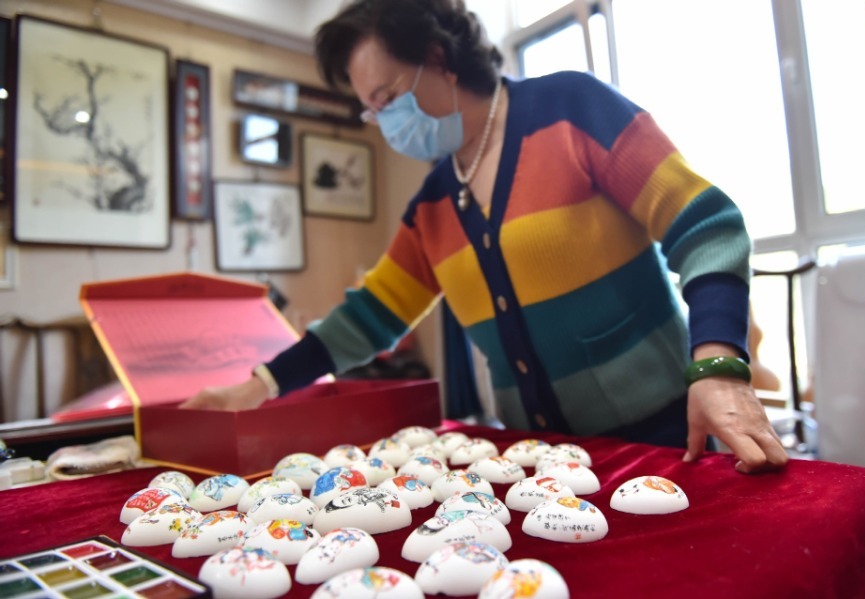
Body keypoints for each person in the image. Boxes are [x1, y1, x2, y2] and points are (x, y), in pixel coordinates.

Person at [182, 0, 788, 474]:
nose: (385, 121)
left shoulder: (571, 109)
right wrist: (259, 385)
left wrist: (718, 366)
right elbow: (367, 316)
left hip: (661, 442)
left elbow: (706, 225)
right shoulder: (433, 205)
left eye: (387, 97)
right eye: (373, 109)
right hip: (539, 463)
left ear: (438, 58)